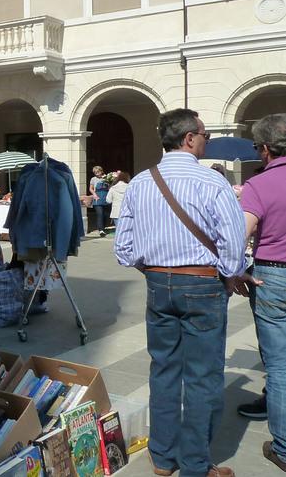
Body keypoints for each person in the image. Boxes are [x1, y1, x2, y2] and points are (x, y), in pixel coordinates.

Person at [114, 108, 246, 477]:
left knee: (165, 369)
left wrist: (153, 268)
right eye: (203, 134)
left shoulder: (140, 182)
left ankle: (163, 457)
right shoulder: (212, 182)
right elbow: (233, 242)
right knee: (203, 377)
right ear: (189, 138)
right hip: (202, 283)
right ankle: (194, 464)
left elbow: (123, 248)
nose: (205, 140)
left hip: (158, 283)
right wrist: (229, 275)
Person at [231, 113, 286, 471]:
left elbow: (240, 233)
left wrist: (235, 271)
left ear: (265, 149)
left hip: (274, 276)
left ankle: (283, 446)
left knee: (280, 364)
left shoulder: (260, 184)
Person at [89, 165, 110, 237]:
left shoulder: (107, 178)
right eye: (95, 172)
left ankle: (103, 227)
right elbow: (91, 188)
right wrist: (94, 195)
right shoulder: (93, 179)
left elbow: (110, 187)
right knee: (100, 214)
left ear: (101, 171)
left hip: (106, 197)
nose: (96, 173)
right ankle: (101, 230)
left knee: (106, 214)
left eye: (98, 172)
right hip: (97, 198)